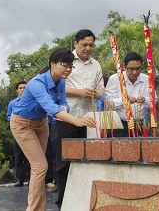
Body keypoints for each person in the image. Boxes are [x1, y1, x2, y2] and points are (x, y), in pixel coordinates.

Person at [10, 47, 97, 211]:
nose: (68, 69)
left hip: (41, 124)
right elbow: (51, 108)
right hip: (22, 124)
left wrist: (64, 108)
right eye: (65, 65)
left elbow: (62, 103)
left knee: (39, 168)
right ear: (52, 64)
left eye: (71, 66)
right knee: (40, 166)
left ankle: (38, 207)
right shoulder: (37, 83)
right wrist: (78, 121)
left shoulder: (61, 81)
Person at [56, 29, 104, 209]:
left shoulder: (96, 65)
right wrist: (80, 92)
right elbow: (58, 85)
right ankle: (63, 201)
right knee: (64, 162)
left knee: (87, 159)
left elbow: (101, 89)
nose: (88, 48)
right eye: (84, 44)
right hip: (66, 117)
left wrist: (96, 93)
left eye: (91, 45)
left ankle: (83, 199)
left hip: (89, 118)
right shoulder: (66, 62)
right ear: (75, 44)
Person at [105, 52, 151, 137]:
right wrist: (124, 100)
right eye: (131, 69)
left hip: (140, 123)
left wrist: (145, 99)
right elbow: (108, 102)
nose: (134, 72)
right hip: (119, 125)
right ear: (124, 67)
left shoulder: (146, 79)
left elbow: (154, 100)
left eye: (138, 68)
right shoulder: (115, 79)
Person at [6, 81, 30, 187]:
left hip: (30, 131)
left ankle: (31, 179)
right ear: (17, 90)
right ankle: (19, 179)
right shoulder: (12, 103)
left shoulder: (31, 101)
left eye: (25, 87)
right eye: (20, 88)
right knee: (18, 156)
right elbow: (8, 116)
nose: (23, 90)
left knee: (30, 156)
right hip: (17, 132)